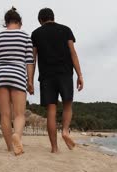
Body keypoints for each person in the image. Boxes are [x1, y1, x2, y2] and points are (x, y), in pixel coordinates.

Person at [31, 8, 84, 153]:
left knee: (51, 111)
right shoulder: (66, 30)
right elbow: (73, 53)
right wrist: (79, 75)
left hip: (47, 77)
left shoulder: (36, 34)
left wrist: (30, 80)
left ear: (41, 20)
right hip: (65, 73)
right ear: (53, 17)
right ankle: (65, 131)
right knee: (67, 106)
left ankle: (54, 148)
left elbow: (32, 59)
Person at [0, 7, 35, 156]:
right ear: (19, 22)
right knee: (19, 114)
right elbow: (29, 61)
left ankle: (9, 147)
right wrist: (30, 81)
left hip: (0, 75)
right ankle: (17, 136)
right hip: (18, 75)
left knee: (5, 115)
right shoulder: (26, 37)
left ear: (6, 23)